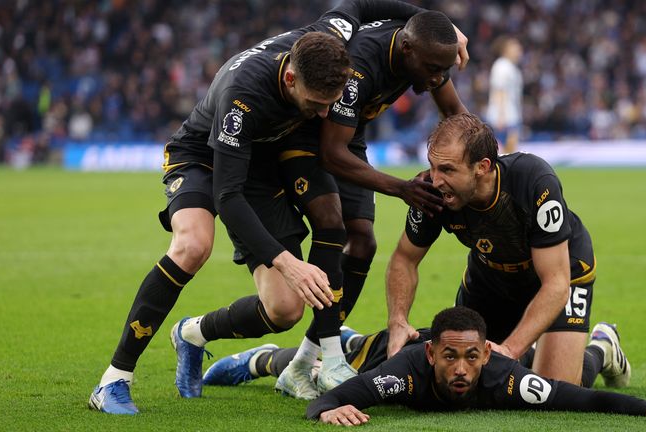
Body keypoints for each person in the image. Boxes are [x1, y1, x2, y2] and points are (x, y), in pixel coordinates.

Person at [88, 0, 434, 415]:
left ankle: (193, 334)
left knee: (285, 309)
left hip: (261, 162)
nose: (325, 113)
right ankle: (114, 380)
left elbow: (359, 5)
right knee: (193, 245)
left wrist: (437, 22)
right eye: (317, 103)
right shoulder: (244, 96)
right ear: (290, 78)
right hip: (204, 157)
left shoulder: (328, 38)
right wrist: (288, 262)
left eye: (333, 102)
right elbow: (227, 196)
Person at [272, 11, 468, 399]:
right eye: (431, 69)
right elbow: (330, 153)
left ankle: (302, 364)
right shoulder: (359, 67)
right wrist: (401, 188)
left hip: (348, 139)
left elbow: (456, 116)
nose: (435, 79)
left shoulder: (427, 56)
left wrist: (488, 166)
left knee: (363, 244)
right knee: (333, 227)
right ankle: (327, 358)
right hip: (308, 137)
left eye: (442, 71)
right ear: (407, 49)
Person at [387, 113, 609, 388]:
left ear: (482, 166)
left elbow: (556, 283)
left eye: (447, 169)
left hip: (561, 272)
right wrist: (398, 320)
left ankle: (601, 348)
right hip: (490, 279)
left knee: (549, 388)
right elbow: (404, 259)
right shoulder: (432, 194)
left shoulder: (534, 182)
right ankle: (529, 352)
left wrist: (510, 350)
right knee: (462, 375)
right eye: (432, 167)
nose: (435, 180)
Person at [200, 307, 646, 425]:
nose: (461, 369)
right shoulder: (404, 372)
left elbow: (584, 401)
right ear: (432, 355)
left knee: (563, 378)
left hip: (465, 343)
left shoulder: (503, 377)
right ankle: (260, 358)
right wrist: (328, 412)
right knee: (329, 370)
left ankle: (601, 342)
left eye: (471, 357)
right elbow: (331, 401)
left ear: (486, 355)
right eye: (450, 358)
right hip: (382, 350)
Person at [486, 37, 523, 154]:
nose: (519, 50)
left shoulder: (511, 67)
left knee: (509, 151)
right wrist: (501, 115)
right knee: (506, 151)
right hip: (505, 115)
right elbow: (499, 91)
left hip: (511, 113)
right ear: (506, 49)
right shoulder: (502, 66)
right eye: (515, 47)